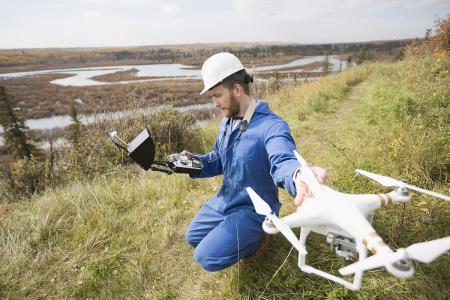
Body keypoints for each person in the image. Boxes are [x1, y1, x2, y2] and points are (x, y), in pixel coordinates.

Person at [183, 52, 327, 271]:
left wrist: (298, 174)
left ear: (237, 90)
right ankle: (233, 230)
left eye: (217, 95)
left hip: (253, 209)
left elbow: (283, 159)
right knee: (192, 237)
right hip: (226, 200)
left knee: (206, 257)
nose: (214, 104)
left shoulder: (272, 126)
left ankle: (259, 237)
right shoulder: (228, 122)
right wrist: (193, 163)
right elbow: (218, 159)